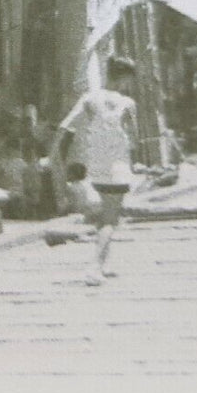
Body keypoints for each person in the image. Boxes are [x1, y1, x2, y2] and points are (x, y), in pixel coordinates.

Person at [50, 57, 140, 286]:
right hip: (118, 167)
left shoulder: (89, 99)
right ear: (125, 78)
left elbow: (65, 127)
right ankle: (95, 268)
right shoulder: (128, 103)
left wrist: (57, 155)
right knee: (110, 219)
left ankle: (105, 263)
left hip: (97, 165)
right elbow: (134, 140)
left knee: (104, 217)